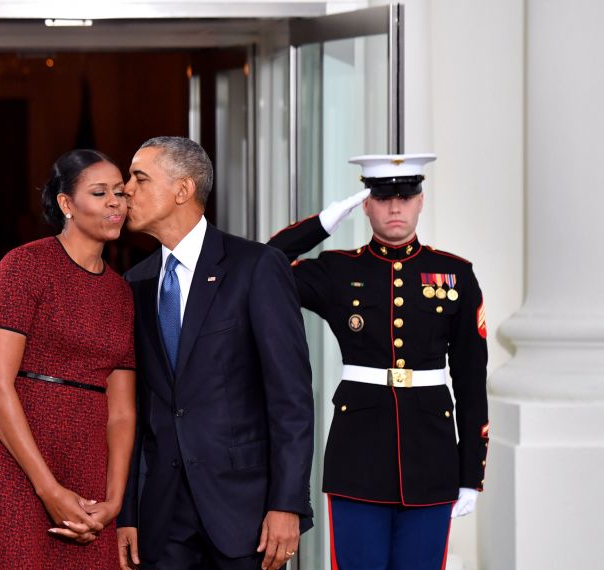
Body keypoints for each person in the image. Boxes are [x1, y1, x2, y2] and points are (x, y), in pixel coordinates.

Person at [267, 154, 489, 569]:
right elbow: (264, 267)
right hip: (358, 457)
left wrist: (469, 474)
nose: (395, 207)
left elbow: (472, 382)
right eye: (383, 197)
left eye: (406, 197)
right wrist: (322, 224)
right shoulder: (336, 270)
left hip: (432, 458)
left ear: (421, 201)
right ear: (366, 205)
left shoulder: (455, 274)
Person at [0, 149, 137, 569]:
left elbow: (122, 412)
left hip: (86, 461)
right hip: (9, 457)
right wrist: (48, 489)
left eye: (121, 192)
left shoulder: (122, 292)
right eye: (100, 193)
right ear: (66, 204)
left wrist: (114, 500)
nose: (116, 202)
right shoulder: (25, 266)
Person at [116, 136, 315, 570]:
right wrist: (126, 513)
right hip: (162, 515)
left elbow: (291, 399)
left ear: (183, 190)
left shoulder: (257, 267)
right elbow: (135, 407)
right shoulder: (134, 283)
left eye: (140, 178)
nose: (126, 189)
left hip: (244, 511)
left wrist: (288, 503)